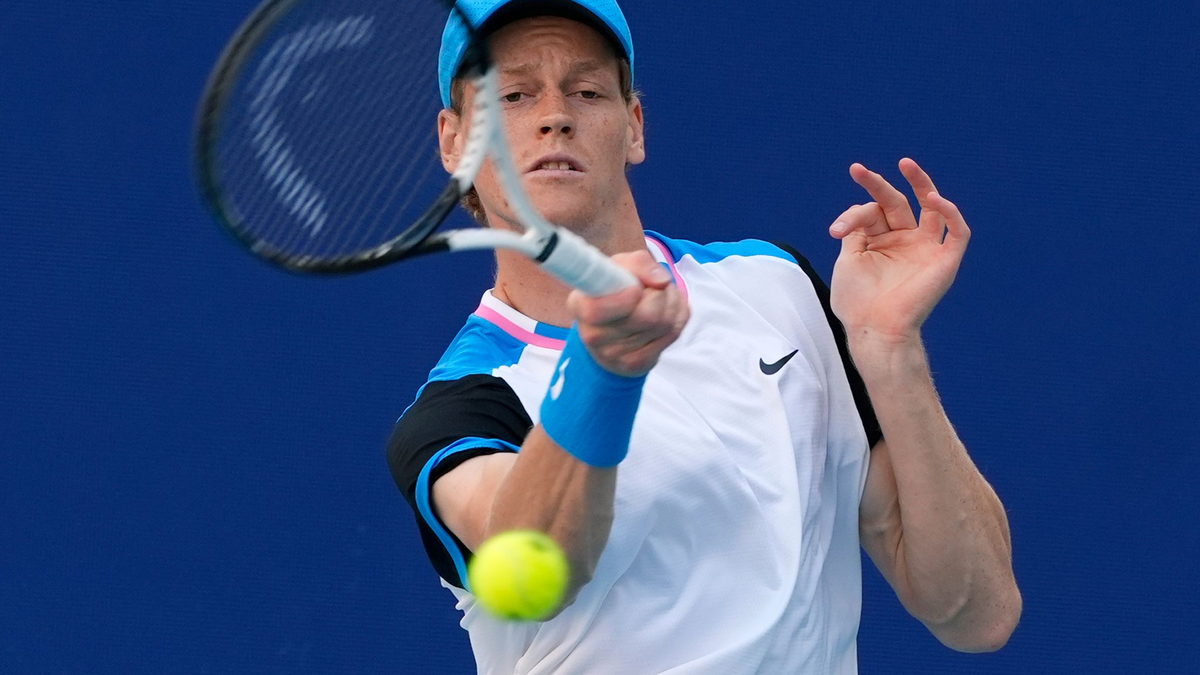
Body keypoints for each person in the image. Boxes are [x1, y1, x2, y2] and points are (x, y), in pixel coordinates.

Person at [387, 1, 1021, 672]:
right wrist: (605, 370)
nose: (555, 115)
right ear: (454, 140)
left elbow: (977, 612)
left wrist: (890, 348)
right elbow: (541, 554)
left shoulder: (777, 287)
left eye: (588, 90)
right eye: (514, 94)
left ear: (633, 126)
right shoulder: (462, 408)